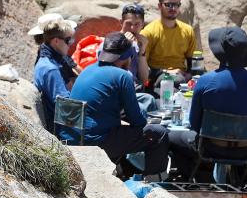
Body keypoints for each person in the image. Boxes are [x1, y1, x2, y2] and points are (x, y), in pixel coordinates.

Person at [62, 32, 170, 179]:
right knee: (159, 133)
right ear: (129, 57)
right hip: (95, 142)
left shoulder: (88, 70)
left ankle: (122, 173)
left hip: (73, 138)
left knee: (124, 131)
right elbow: (137, 121)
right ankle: (155, 184)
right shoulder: (122, 76)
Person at [168, 27, 247, 180]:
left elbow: (195, 124)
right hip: (245, 149)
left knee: (170, 137)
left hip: (209, 147)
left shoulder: (205, 81)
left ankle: (196, 178)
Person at [142, 0, 196, 86]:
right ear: (159, 6)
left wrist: (189, 76)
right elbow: (142, 67)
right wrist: (167, 72)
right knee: (174, 80)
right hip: (158, 78)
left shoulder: (188, 30)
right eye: (168, 5)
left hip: (182, 77)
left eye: (176, 4)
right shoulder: (148, 32)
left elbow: (192, 62)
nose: (173, 8)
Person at [32, 17, 78, 130]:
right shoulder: (51, 69)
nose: (71, 44)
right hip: (60, 130)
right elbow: (67, 111)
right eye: (68, 40)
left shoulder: (47, 61)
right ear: (56, 41)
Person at [119, 3, 157, 113]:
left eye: (137, 24)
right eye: (128, 24)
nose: (132, 28)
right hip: (120, 92)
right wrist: (125, 45)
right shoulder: (111, 43)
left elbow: (144, 78)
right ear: (121, 23)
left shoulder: (137, 45)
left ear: (142, 25)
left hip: (136, 90)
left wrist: (142, 51)